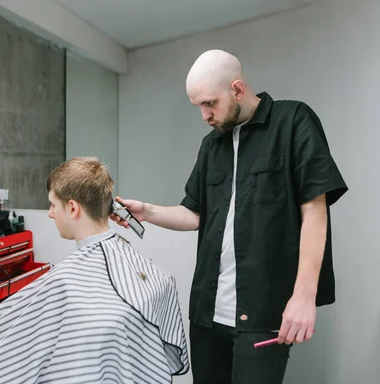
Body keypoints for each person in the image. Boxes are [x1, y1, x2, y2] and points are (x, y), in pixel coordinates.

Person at [111, 49, 348, 383]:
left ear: (237, 90)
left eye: (210, 103)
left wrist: (304, 297)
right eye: (199, 107)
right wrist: (147, 212)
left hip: (262, 315)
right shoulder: (211, 145)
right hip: (207, 316)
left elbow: (315, 212)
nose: (205, 115)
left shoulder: (293, 121)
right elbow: (194, 214)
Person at [0, 157, 189, 384]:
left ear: (73, 208)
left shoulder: (65, 282)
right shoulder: (146, 270)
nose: (50, 213)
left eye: (52, 205)